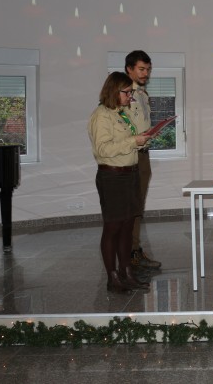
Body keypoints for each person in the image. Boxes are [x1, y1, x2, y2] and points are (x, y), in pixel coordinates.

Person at [88, 71, 151, 292]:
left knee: (127, 227)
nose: (130, 97)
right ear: (114, 91)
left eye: (131, 93)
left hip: (130, 174)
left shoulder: (121, 113)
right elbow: (103, 149)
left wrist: (142, 141)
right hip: (113, 177)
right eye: (127, 93)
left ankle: (127, 273)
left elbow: (127, 141)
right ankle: (112, 277)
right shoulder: (101, 116)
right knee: (113, 227)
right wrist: (134, 141)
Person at [125, 50, 162, 270]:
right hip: (130, 156)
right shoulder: (123, 94)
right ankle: (129, 254)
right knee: (130, 207)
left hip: (143, 154)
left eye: (148, 69)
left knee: (138, 206)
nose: (145, 73)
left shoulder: (142, 94)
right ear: (129, 69)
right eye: (141, 69)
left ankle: (134, 250)